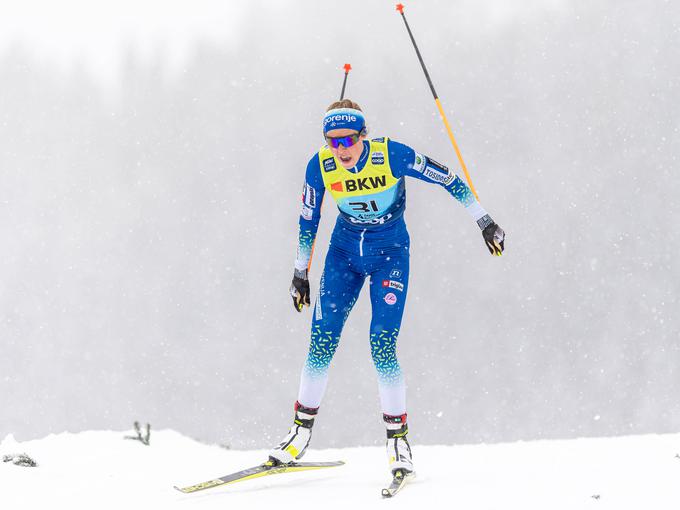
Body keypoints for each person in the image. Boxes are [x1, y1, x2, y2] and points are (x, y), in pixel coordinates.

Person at [269, 99, 505, 475]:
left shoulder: (391, 154)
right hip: (343, 253)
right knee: (322, 338)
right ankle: (299, 433)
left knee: (381, 343)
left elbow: (446, 177)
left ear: (364, 135)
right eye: (333, 141)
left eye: (348, 140)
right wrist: (300, 273)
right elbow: (308, 219)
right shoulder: (321, 165)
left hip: (389, 253)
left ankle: (398, 440)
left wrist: (484, 221)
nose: (341, 150)